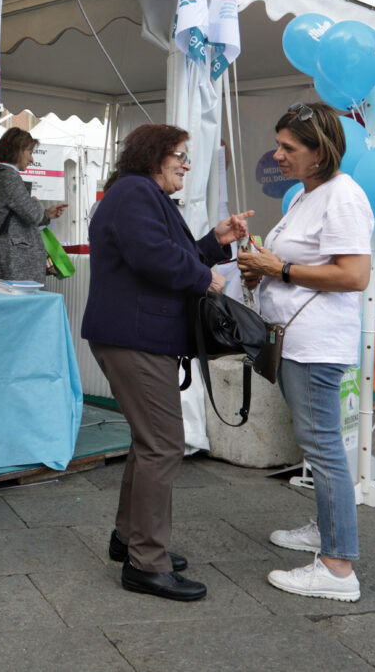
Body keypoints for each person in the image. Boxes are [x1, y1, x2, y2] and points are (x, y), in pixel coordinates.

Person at [82, 123, 252, 601]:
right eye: (180, 154)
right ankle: (146, 563)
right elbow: (152, 256)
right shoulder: (136, 192)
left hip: (135, 336)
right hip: (135, 339)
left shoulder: (137, 193)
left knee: (148, 444)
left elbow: (168, 252)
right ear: (154, 154)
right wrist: (206, 278)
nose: (187, 163)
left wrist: (214, 243)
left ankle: (129, 542)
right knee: (163, 446)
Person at [237, 101, 373, 603]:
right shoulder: (308, 196)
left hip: (316, 343)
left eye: (289, 148)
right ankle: (326, 530)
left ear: (320, 153)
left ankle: (338, 569)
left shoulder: (343, 197)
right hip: (298, 338)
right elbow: (294, 259)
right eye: (279, 144)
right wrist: (261, 265)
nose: (277, 155)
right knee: (317, 444)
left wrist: (280, 271)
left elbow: (354, 275)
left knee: (322, 447)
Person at [0, 127, 67, 280]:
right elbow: (33, 215)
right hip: (13, 263)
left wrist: (46, 214)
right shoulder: (9, 178)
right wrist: (35, 201)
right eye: (30, 152)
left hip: (6, 259)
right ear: (18, 150)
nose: (32, 159)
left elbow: (22, 215)